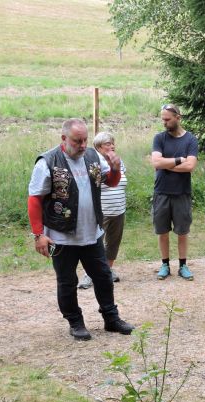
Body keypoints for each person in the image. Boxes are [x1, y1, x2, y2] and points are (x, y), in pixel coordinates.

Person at [27, 118, 134, 340]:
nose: (83, 145)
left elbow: (110, 182)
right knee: (67, 282)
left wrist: (114, 168)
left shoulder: (93, 156)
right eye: (78, 141)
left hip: (91, 233)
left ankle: (111, 319)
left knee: (103, 277)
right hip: (61, 237)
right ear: (64, 139)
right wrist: (39, 235)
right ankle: (75, 322)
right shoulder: (47, 162)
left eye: (85, 140)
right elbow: (35, 199)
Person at [151, 103, 199, 280]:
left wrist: (167, 164)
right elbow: (156, 163)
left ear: (178, 118)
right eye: (162, 119)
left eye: (167, 119)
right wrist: (179, 160)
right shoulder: (159, 138)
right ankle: (164, 265)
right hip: (161, 192)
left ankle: (183, 265)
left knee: (182, 231)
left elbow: (191, 166)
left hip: (182, 193)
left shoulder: (191, 140)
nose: (164, 122)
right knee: (162, 231)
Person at [78, 131, 127, 289]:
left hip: (118, 209)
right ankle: (88, 274)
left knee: (113, 242)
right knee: (95, 243)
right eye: (108, 144)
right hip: (101, 211)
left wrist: (116, 167)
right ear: (98, 147)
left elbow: (121, 180)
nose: (112, 146)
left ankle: (108, 269)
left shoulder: (118, 161)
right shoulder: (93, 162)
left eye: (113, 143)